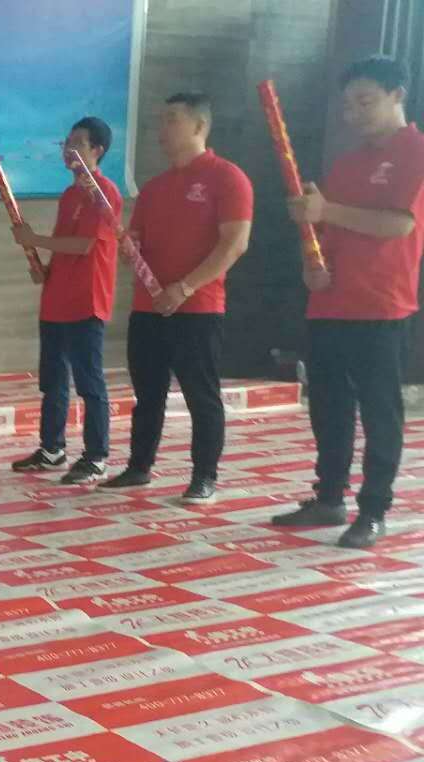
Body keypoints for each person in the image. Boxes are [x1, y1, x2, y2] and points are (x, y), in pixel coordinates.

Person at [272, 56, 424, 549]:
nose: (354, 113)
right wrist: (311, 262)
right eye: (348, 105)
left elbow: (398, 224)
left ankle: (374, 509)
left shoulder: (415, 152)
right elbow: (322, 230)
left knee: (380, 412)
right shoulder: (347, 162)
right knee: (329, 407)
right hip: (330, 304)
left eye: (365, 102)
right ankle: (329, 497)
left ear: (398, 95)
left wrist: (327, 209)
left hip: (382, 306)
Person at [100, 93, 253, 504]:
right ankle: (139, 467)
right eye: (160, 120)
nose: (161, 129)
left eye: (171, 120)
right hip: (148, 308)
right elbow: (138, 242)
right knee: (147, 393)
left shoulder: (228, 177)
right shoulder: (154, 188)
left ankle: (204, 476)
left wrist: (185, 287)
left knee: (201, 395)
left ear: (200, 126)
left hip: (197, 308)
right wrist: (129, 247)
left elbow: (234, 244)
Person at [11, 117, 121, 484]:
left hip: (86, 302)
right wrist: (45, 270)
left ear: (97, 151)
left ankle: (96, 456)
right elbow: (65, 248)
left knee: (90, 383)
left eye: (78, 143)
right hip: (56, 300)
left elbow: (84, 245)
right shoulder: (70, 195)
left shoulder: (105, 194)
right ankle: (52, 449)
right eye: (67, 142)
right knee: (53, 381)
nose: (69, 149)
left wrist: (35, 240)